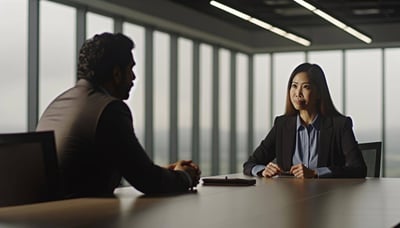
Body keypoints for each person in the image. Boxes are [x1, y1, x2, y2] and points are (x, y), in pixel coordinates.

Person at [36, 32, 201, 198]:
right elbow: (148, 181)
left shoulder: (58, 103)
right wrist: (185, 176)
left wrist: (166, 172)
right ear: (116, 74)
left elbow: (134, 169)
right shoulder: (109, 109)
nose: (134, 77)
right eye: (131, 68)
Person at [243, 63, 367, 178]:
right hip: (290, 198)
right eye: (294, 86)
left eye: (306, 87)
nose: (298, 93)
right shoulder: (282, 125)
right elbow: (250, 164)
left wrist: (316, 172)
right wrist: (262, 170)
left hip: (327, 197)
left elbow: (358, 169)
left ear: (319, 93)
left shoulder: (339, 125)